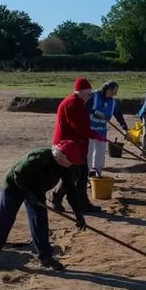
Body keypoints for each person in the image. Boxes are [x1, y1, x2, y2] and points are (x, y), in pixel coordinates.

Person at [0, 140, 88, 272]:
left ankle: (45, 257)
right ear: (62, 156)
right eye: (72, 160)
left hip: (37, 190)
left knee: (40, 221)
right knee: (5, 219)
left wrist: (78, 213)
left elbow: (71, 190)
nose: (73, 164)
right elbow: (18, 174)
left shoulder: (66, 167)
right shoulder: (41, 157)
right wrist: (28, 194)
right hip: (14, 186)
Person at [50, 77, 107, 213]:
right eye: (88, 93)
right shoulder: (72, 104)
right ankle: (56, 198)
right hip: (67, 147)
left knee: (82, 174)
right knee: (73, 175)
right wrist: (96, 135)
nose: (90, 96)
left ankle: (82, 203)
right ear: (80, 91)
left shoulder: (79, 103)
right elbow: (79, 128)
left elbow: (82, 127)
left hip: (77, 145)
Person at [86, 80, 128, 177]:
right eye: (114, 92)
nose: (115, 94)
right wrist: (94, 112)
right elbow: (84, 107)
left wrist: (125, 129)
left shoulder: (113, 103)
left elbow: (119, 116)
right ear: (108, 89)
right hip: (89, 130)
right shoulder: (93, 96)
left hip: (101, 131)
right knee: (88, 153)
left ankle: (98, 174)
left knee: (100, 153)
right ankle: (86, 176)